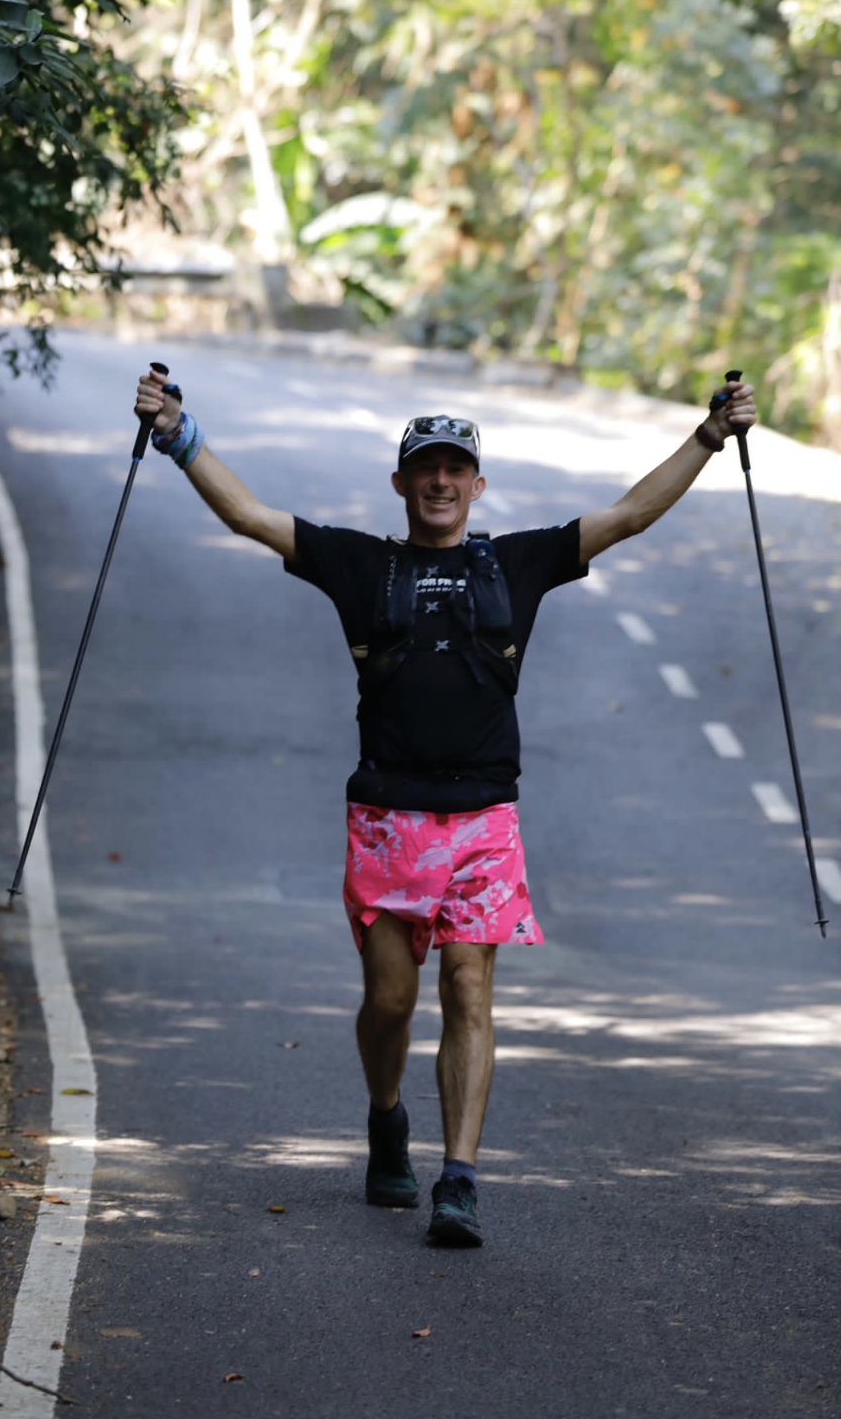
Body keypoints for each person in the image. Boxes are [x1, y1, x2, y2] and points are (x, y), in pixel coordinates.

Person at [133, 369, 757, 1247]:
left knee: (469, 983)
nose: (439, 481)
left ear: (477, 484)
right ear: (401, 481)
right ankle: (386, 1114)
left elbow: (627, 516)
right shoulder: (361, 564)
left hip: (484, 820)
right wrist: (176, 431)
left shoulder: (517, 563)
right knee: (390, 1001)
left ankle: (458, 1178)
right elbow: (248, 515)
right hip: (389, 819)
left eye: (455, 468)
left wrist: (708, 438)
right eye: (425, 467)